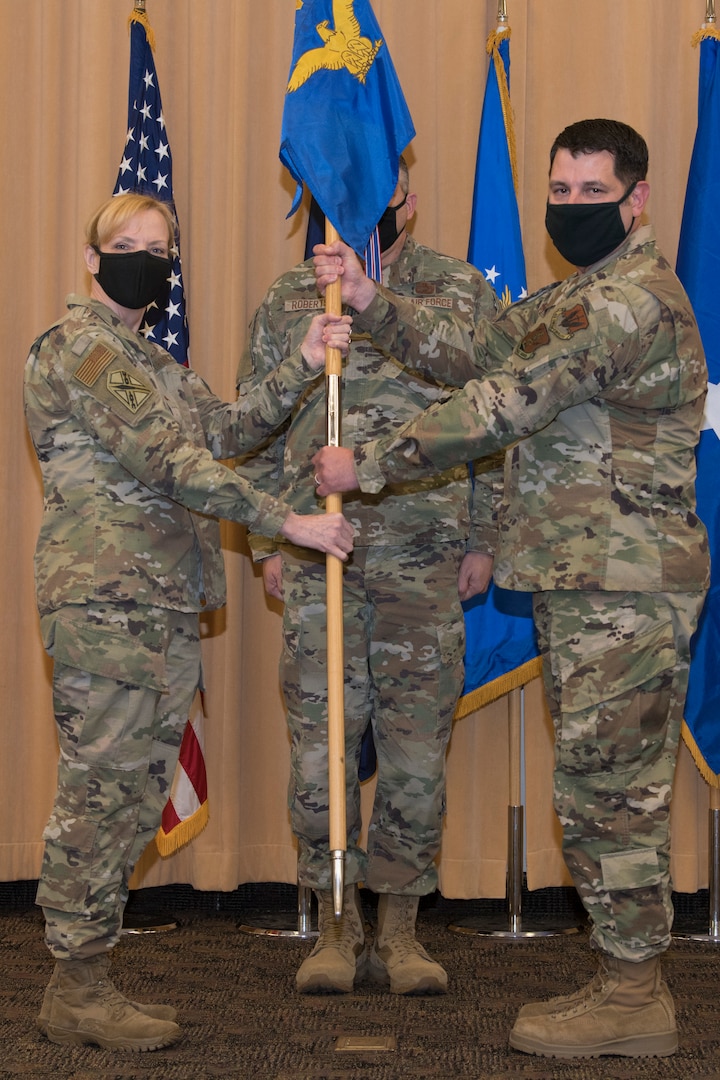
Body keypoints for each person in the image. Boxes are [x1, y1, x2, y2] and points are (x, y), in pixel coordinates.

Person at [312, 120, 709, 1059]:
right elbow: (487, 342)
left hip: (628, 586)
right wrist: (373, 301)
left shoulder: (628, 305)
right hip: (594, 582)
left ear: (638, 197)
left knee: (615, 793)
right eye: (559, 191)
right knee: (596, 786)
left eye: (592, 191)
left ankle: (636, 995)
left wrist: (363, 464)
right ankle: (624, 979)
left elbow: (501, 403)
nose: (571, 208)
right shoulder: (582, 295)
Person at [24, 192, 354, 1053]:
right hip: (107, 603)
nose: (144, 257)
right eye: (125, 245)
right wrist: (294, 524)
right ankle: (76, 986)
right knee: (100, 794)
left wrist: (302, 357)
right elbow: (172, 461)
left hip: (158, 604)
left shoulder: (151, 362)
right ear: (92, 262)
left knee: (132, 796)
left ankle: (87, 978)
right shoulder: (82, 350)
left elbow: (222, 426)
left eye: (159, 247)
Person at [236, 156, 499, 996]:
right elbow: (263, 421)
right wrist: (266, 542)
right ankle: (337, 925)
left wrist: (484, 535)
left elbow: (493, 405)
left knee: (419, 749)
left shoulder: (453, 290)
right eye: (334, 195)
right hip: (321, 553)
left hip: (426, 552)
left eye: (372, 194)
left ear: (407, 204)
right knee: (321, 754)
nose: (350, 211)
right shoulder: (286, 301)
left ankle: (402, 927)